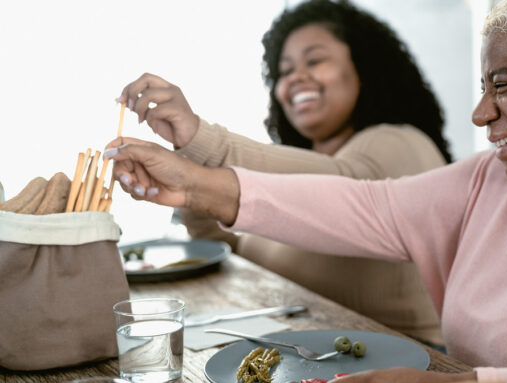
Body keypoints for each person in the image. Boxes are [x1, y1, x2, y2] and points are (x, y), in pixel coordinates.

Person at [105, 0, 507, 383]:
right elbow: (363, 206)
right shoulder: (493, 182)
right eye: (482, 88)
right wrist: (190, 187)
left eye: (504, 85)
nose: (482, 113)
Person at [116, 0, 452, 347]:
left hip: (408, 368)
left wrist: (200, 139)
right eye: (284, 70)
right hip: (309, 359)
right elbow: (230, 250)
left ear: (366, 65)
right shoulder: (294, 165)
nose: (296, 78)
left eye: (315, 60)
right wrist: (187, 171)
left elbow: (344, 187)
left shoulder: (400, 141)